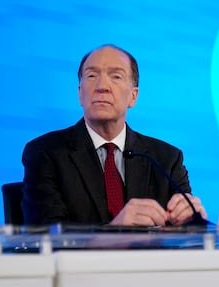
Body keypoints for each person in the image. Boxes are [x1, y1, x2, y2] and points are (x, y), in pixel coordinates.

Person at [21, 44, 208, 226]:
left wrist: (195, 221)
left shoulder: (166, 159)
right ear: (80, 94)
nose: (102, 86)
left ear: (133, 96)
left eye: (116, 76)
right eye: (92, 75)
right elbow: (47, 235)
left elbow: (188, 237)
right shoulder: (45, 153)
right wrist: (115, 231)